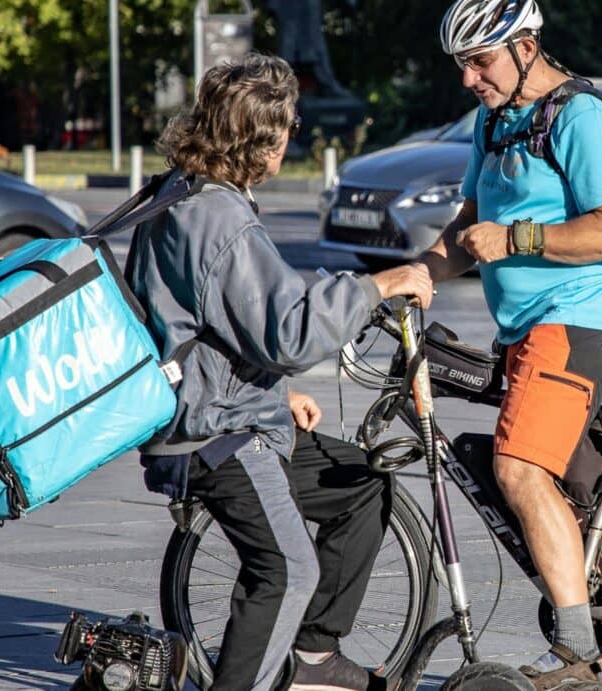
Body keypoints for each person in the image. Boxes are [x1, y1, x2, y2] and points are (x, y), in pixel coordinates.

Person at [126, 53, 432, 691]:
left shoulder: (182, 189)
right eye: (287, 125)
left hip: (226, 407)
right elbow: (290, 330)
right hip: (214, 436)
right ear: (258, 138)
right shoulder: (220, 219)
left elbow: (210, 319)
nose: (292, 137)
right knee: (287, 570)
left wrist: (274, 388)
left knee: (363, 488)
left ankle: (313, 657)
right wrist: (378, 284)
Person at [426, 1, 602, 689]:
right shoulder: (495, 120)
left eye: (479, 61)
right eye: (462, 65)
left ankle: (578, 655)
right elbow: (466, 225)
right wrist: (408, 279)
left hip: (575, 320)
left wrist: (519, 238)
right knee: (536, 480)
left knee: (517, 469)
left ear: (524, 47)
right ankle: (587, 606)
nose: (469, 79)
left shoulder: (579, 119)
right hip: (524, 329)